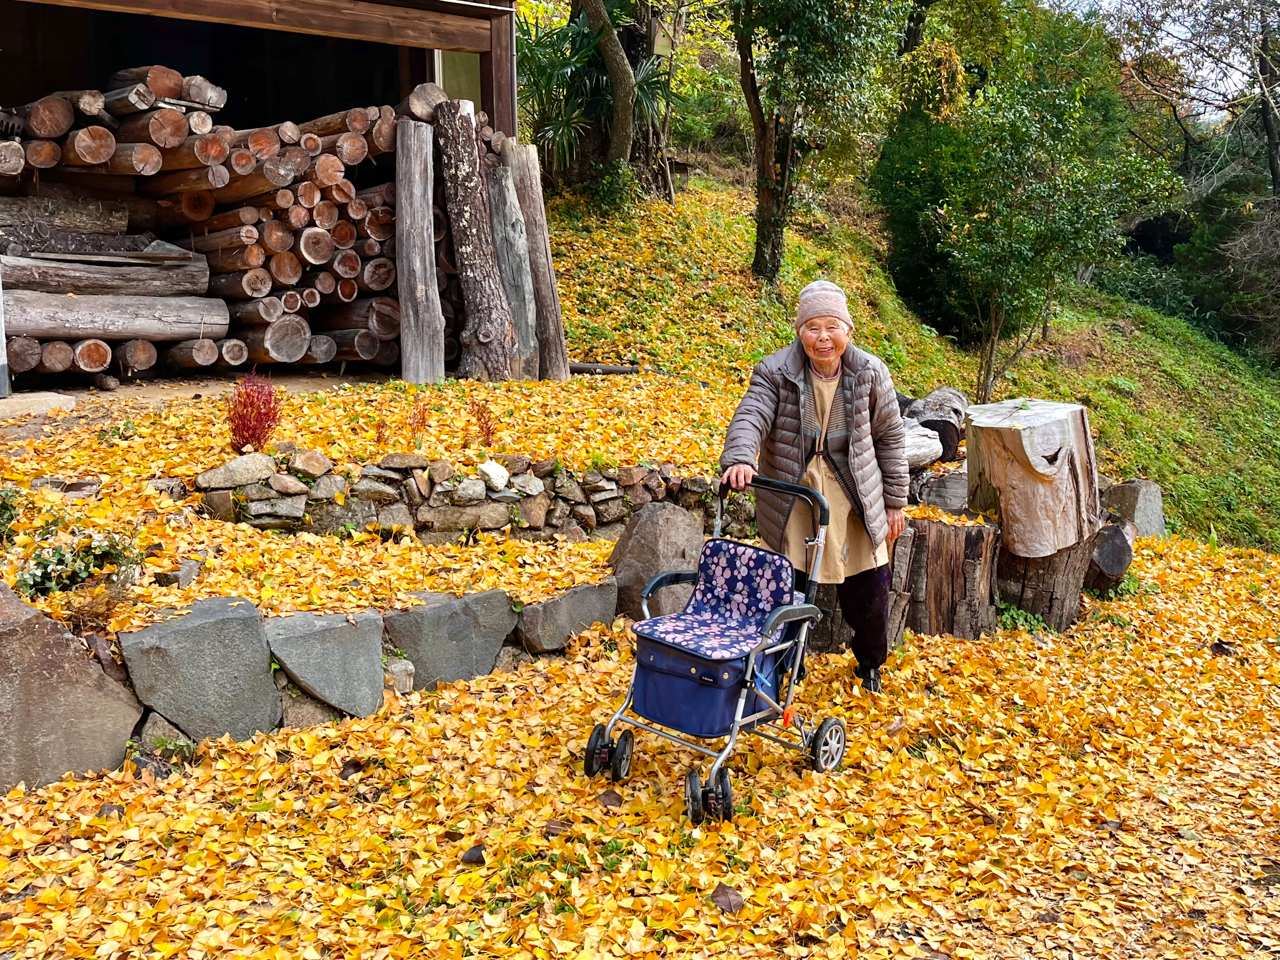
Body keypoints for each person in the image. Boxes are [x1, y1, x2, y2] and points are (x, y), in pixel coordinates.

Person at [720, 280, 908, 693]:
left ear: (848, 331)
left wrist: (895, 502)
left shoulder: (871, 373)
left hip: (854, 495)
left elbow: (890, 436)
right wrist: (739, 457)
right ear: (800, 332)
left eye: (832, 327)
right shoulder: (775, 371)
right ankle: (789, 662)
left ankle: (871, 664)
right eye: (812, 328)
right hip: (797, 494)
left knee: (869, 589)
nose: (823, 338)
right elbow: (752, 414)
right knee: (787, 586)